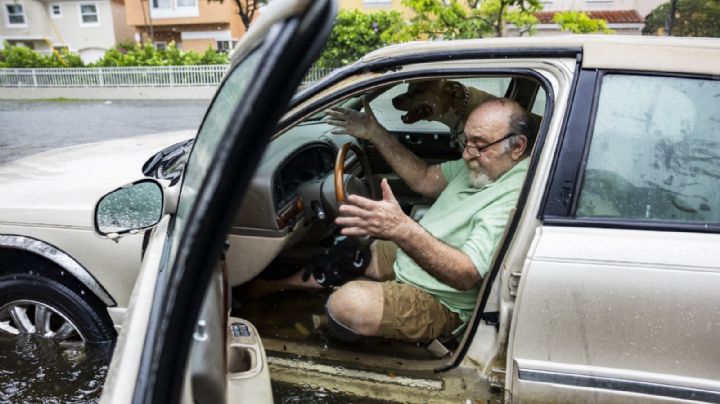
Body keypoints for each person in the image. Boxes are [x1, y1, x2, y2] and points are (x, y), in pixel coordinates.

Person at [250, 95, 533, 344]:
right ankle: (278, 285)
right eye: (466, 140)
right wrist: (374, 132)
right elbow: (423, 179)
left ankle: (324, 325)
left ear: (517, 147)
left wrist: (401, 229)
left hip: (442, 300)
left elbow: (465, 275)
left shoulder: (515, 192)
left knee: (346, 303)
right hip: (417, 260)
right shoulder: (481, 165)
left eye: (479, 145)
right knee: (349, 254)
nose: (466, 153)